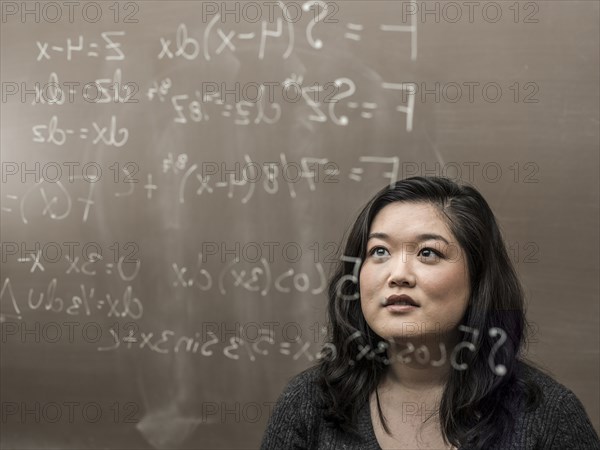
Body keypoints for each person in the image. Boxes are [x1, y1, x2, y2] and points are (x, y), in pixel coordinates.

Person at [261, 176, 600, 450]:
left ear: (478, 279)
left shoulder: (547, 415)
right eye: (379, 251)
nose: (398, 274)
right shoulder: (308, 405)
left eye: (427, 252)